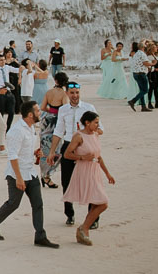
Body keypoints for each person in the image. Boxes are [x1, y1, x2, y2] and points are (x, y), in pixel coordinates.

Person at [0, 100, 59, 248]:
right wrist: (19, 178)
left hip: (31, 172)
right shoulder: (17, 131)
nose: (40, 113)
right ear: (30, 114)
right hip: (16, 174)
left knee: (38, 204)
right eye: (38, 111)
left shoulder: (31, 128)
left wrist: (35, 153)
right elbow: (12, 156)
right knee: (13, 204)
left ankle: (40, 236)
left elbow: (23, 150)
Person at [49, 80, 99, 228]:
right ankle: (69, 214)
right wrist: (52, 151)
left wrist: (89, 131)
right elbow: (58, 131)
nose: (75, 95)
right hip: (68, 146)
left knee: (90, 182)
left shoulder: (89, 108)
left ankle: (93, 218)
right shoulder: (63, 110)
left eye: (77, 93)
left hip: (85, 146)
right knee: (66, 182)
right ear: (67, 93)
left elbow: (100, 128)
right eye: (72, 93)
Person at [62, 111, 115, 246]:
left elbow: (99, 156)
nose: (98, 125)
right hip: (84, 172)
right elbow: (67, 154)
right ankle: (84, 228)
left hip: (95, 171)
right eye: (96, 122)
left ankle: (83, 229)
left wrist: (108, 174)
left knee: (99, 202)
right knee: (103, 202)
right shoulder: (79, 136)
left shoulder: (95, 135)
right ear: (87, 122)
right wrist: (82, 157)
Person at [39, 71, 68, 188]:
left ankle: (44, 174)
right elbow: (65, 110)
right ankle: (47, 175)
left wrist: (51, 111)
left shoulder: (49, 92)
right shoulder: (64, 94)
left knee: (44, 147)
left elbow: (42, 107)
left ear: (55, 80)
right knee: (57, 149)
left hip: (47, 120)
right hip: (57, 122)